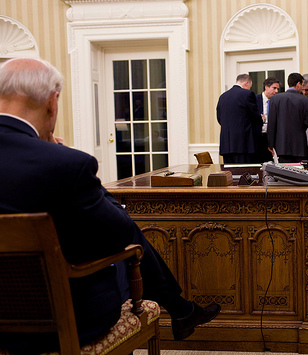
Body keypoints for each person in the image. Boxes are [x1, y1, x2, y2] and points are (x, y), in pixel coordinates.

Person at [0, 57, 220, 353]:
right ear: (53, 103)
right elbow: (118, 232)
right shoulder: (64, 164)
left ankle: (182, 310)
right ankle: (180, 309)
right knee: (130, 244)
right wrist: (60, 154)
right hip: (70, 321)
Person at [267, 73, 308, 163]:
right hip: (300, 146)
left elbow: (271, 124)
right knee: (300, 174)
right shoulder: (306, 101)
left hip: (281, 145)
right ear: (298, 84)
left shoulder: (275, 99)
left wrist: (270, 144)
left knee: (284, 174)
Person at [216, 73, 262, 163]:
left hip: (226, 145)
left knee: (230, 174)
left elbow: (219, 118)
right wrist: (262, 119)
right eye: (250, 86)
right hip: (243, 144)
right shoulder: (247, 94)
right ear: (246, 83)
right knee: (243, 174)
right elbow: (254, 117)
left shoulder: (223, 96)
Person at [255, 77, 280, 163]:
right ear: (266, 87)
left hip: (271, 138)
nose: (276, 91)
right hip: (258, 138)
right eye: (274, 88)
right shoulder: (255, 99)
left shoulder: (277, 101)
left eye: (277, 89)